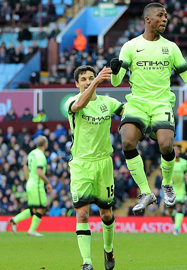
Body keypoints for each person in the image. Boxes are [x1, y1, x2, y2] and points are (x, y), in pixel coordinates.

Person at [110, 2, 187, 214]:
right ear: (148, 19)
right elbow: (116, 81)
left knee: (166, 145)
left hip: (161, 104)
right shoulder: (130, 46)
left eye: (166, 16)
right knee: (128, 141)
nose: (165, 19)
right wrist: (114, 70)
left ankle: (167, 184)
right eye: (160, 15)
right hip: (137, 103)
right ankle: (146, 192)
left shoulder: (171, 48)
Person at [65, 65, 123, 270]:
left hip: (103, 164)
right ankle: (87, 263)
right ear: (77, 83)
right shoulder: (72, 101)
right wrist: (97, 81)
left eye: (91, 78)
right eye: (83, 79)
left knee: (106, 214)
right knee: (82, 213)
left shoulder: (108, 103)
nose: (88, 81)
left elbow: (128, 114)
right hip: (81, 164)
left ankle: (108, 249)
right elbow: (80, 104)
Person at [9, 135, 52, 237]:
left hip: (30, 184)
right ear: (45, 144)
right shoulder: (41, 156)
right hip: (37, 185)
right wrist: (48, 183)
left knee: (33, 209)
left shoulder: (31, 154)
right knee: (41, 207)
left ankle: (15, 220)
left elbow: (25, 167)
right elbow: (40, 172)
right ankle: (31, 230)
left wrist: (29, 180)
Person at [168, 144, 187, 235]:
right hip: (170, 188)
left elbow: (186, 173)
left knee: (179, 207)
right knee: (170, 209)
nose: (177, 151)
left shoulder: (184, 162)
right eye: (175, 150)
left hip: (180, 188)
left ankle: (176, 228)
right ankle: (172, 217)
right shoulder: (168, 162)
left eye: (178, 150)